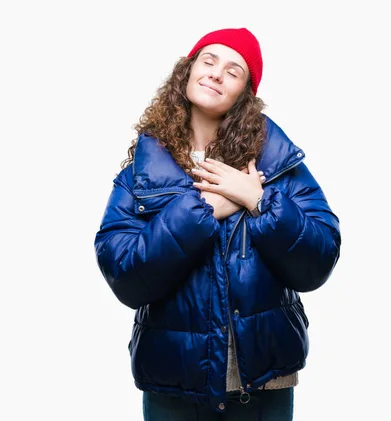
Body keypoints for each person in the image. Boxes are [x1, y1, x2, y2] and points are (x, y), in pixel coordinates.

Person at [94, 27, 342, 421]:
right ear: (188, 71)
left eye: (233, 70)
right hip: (173, 380)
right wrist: (203, 210)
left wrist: (257, 200)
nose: (215, 73)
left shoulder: (276, 166)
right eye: (208, 61)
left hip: (264, 379)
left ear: (245, 94)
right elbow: (125, 274)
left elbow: (320, 258)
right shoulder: (143, 174)